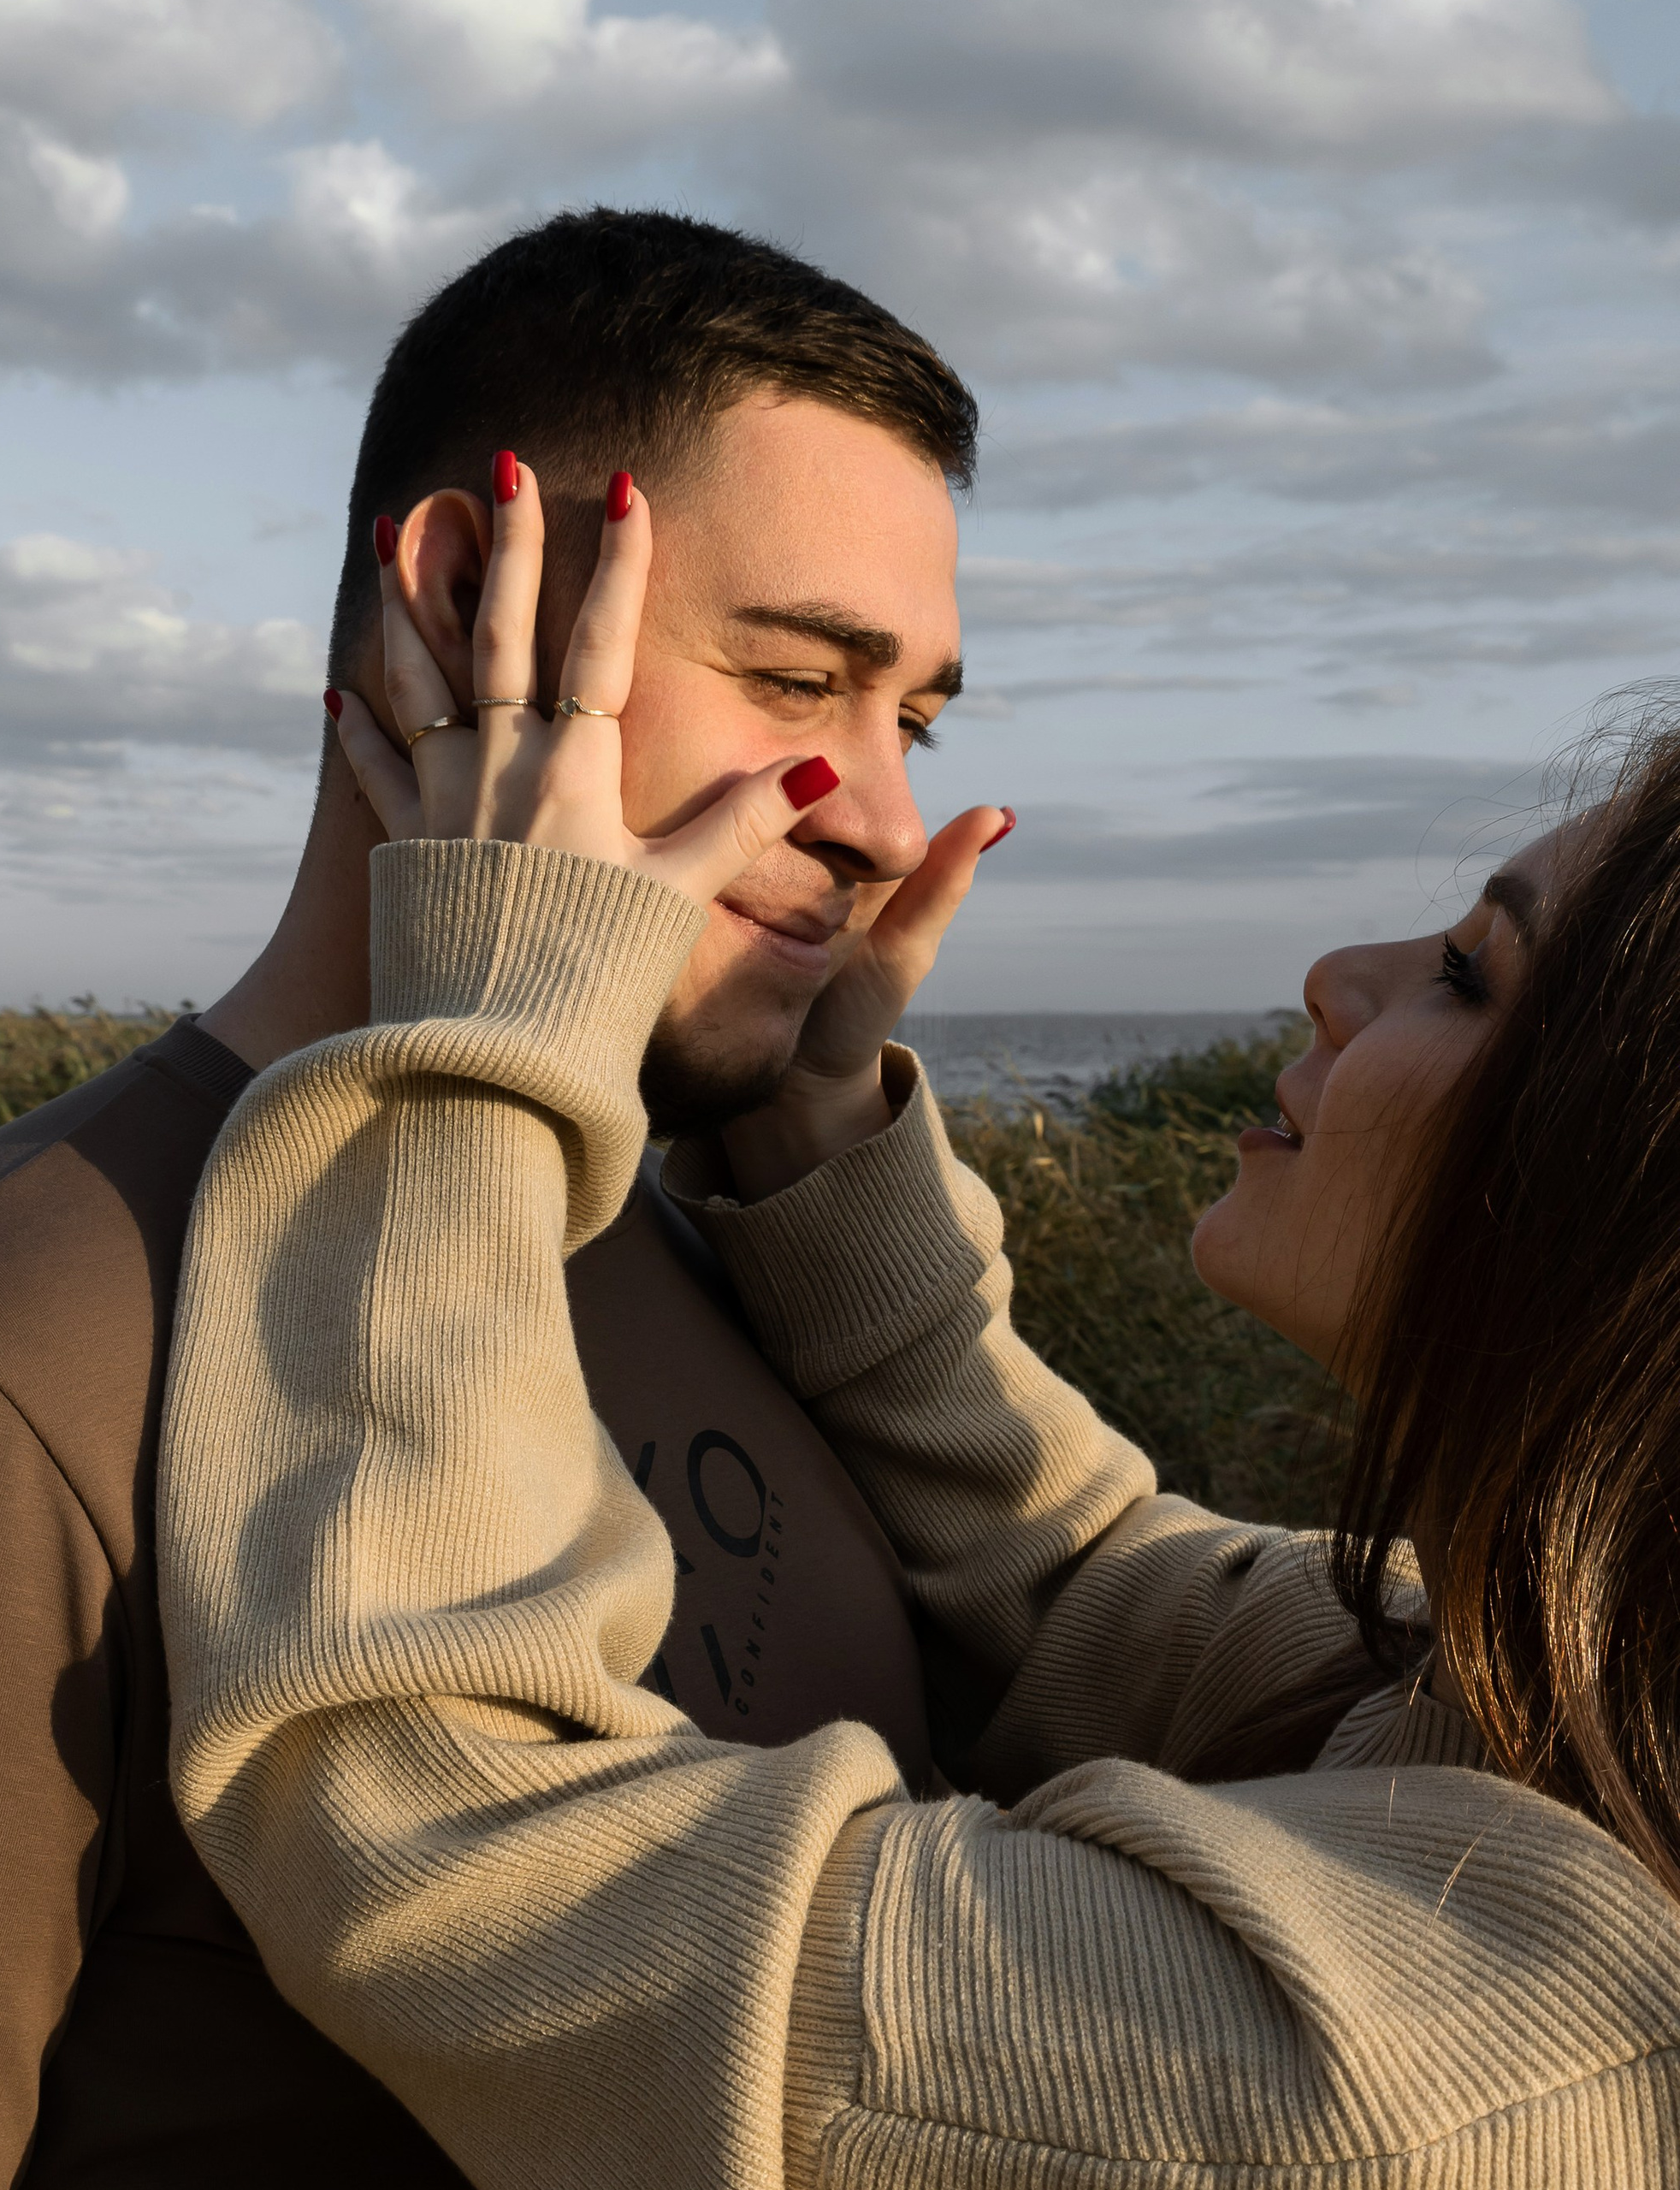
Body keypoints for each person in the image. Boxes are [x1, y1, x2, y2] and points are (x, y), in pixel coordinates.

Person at [0, 209, 992, 2185]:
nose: (883, 820)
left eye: (916, 721)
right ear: (471, 596)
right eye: (804, 677)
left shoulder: (737, 1264)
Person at [153, 458, 1680, 2185]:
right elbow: (1078, 1592)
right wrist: (814, 1148)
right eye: (800, 686)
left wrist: (488, 1031)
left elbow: (446, 1837)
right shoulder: (1551, 1689)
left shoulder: (1433, 2088)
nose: (1337, 966)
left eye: (1469, 975)